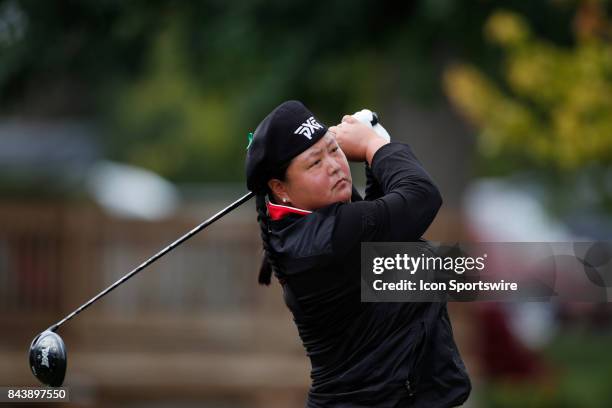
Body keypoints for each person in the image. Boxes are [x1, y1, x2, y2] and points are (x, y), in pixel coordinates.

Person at [245, 100, 471, 407]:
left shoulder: (304, 226)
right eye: (314, 162)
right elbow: (421, 197)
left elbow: (388, 235)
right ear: (280, 188)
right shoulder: (328, 239)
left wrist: (374, 157)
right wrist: (374, 146)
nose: (334, 165)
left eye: (333, 149)